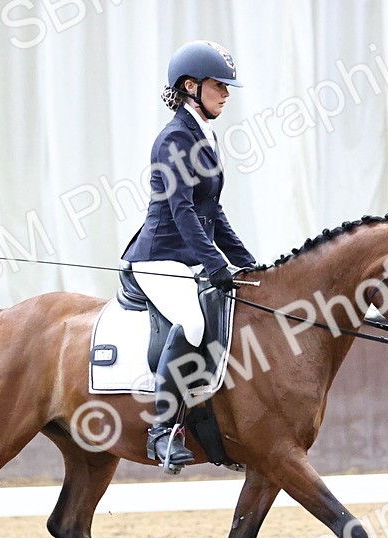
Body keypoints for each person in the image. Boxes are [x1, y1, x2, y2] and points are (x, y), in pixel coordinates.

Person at [123, 40, 256, 469]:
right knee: (192, 321)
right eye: (219, 85)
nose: (227, 93)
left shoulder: (206, 135)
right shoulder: (174, 139)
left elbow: (213, 211)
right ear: (190, 86)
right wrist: (216, 264)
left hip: (188, 259)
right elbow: (181, 210)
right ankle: (161, 432)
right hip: (159, 257)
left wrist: (248, 262)